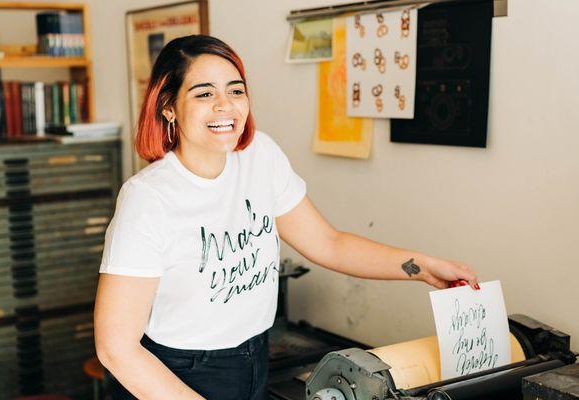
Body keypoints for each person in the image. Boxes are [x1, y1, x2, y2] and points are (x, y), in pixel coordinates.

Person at [94, 35, 478, 400]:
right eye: (205, 93)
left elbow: (329, 243)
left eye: (236, 90)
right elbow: (116, 347)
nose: (225, 106)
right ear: (168, 106)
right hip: (176, 373)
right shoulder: (148, 198)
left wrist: (422, 267)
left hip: (255, 355)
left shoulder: (260, 156)